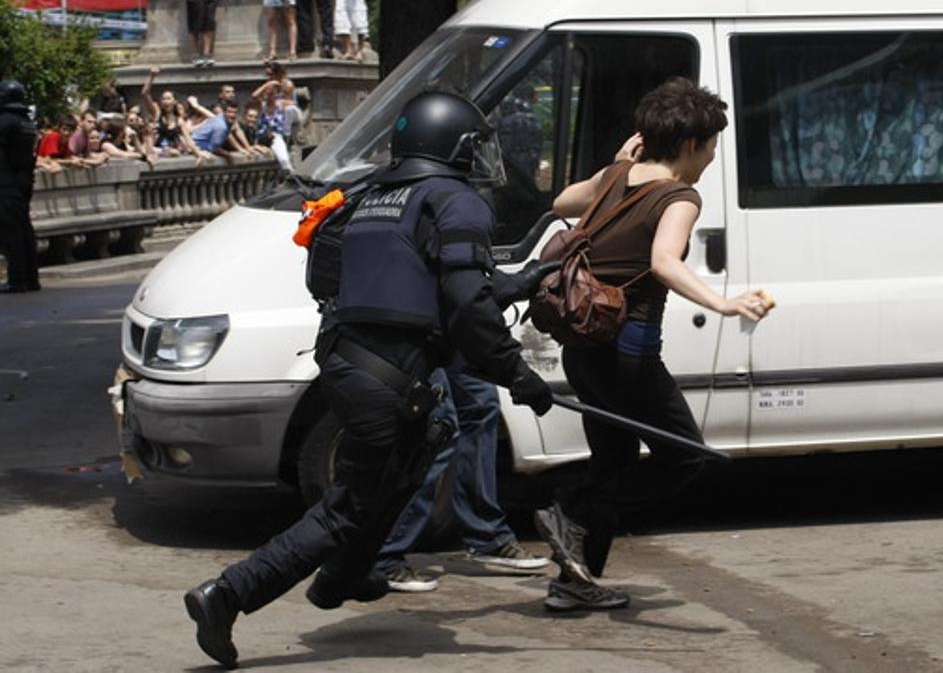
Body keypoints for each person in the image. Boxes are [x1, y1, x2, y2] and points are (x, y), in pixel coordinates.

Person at [183, 91, 556, 670]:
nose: (480, 158)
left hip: (351, 362)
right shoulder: (456, 201)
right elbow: (467, 311)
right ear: (452, 145)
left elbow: (422, 285)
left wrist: (524, 280)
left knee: (416, 454)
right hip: (388, 378)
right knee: (348, 508)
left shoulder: (374, 195)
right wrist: (519, 375)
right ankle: (227, 595)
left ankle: (344, 576)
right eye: (474, 146)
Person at [534, 77, 773, 612]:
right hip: (629, 351)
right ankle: (571, 507)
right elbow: (665, 261)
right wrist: (724, 303)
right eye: (711, 145)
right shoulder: (680, 196)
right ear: (691, 145)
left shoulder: (618, 173)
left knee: (612, 463)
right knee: (683, 456)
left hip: (584, 345)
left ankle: (575, 582)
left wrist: (617, 160)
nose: (712, 156)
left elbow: (561, 202)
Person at [374, 361, 549, 591]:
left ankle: (486, 534)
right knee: (439, 427)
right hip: (414, 331)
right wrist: (516, 369)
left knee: (480, 403)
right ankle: (384, 555)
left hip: (448, 331)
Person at [0, 81, 41, 293]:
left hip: (6, 183)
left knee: (10, 232)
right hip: (24, 180)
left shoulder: (5, 121)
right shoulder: (27, 122)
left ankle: (17, 279)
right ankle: (31, 278)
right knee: (24, 229)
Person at [142, 68, 205, 158]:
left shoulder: (179, 120)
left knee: (175, 152)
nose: (165, 101)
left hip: (168, 152)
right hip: (152, 148)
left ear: (174, 101)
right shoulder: (157, 113)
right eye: (163, 99)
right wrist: (152, 76)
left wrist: (198, 154)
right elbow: (145, 94)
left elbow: (189, 140)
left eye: (168, 99)